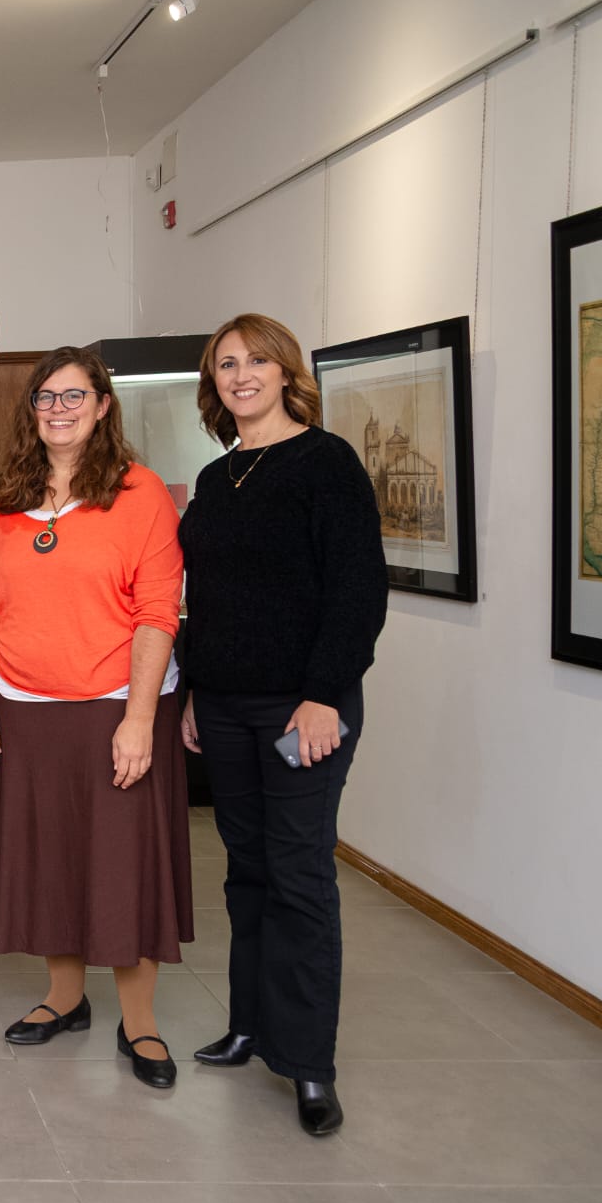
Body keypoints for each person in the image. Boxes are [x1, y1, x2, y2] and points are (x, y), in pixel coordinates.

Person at [0, 346, 190, 1089]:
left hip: (113, 709)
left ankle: (140, 1020)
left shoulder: (138, 491)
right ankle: (64, 998)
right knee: (52, 861)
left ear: (102, 405)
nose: (57, 409)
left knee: (124, 867)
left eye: (73, 396)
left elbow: (158, 612)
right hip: (26, 712)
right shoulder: (5, 498)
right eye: (45, 398)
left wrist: (139, 717)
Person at [179, 313, 386, 1134]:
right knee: (247, 870)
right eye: (226, 364)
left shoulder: (326, 463)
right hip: (224, 705)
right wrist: (195, 690)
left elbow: (357, 592)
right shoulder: (214, 476)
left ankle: (307, 1063)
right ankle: (248, 1024)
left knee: (300, 877)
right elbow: (210, 602)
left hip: (304, 704)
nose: (241, 375)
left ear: (285, 372)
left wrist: (326, 694)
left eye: (256, 360)